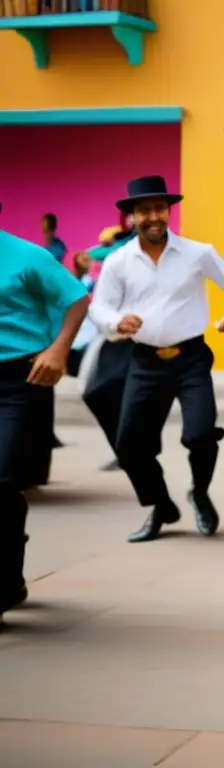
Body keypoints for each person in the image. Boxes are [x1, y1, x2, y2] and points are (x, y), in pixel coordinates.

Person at [89, 176, 224, 543]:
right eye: (144, 210)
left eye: (160, 208)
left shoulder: (198, 252)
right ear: (132, 217)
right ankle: (160, 505)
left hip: (190, 360)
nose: (153, 216)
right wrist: (116, 321)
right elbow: (100, 307)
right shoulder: (118, 262)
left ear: (169, 211)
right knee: (129, 445)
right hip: (144, 362)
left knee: (200, 435)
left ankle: (200, 493)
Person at [1, 220, 89, 626]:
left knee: (1, 480)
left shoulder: (28, 256)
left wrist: (58, 350)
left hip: (18, 379)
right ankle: (8, 576)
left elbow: (76, 298)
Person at [79, 220, 138, 471]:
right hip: (116, 332)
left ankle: (133, 453)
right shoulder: (118, 250)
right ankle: (126, 451)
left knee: (129, 395)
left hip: (145, 335)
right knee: (97, 392)